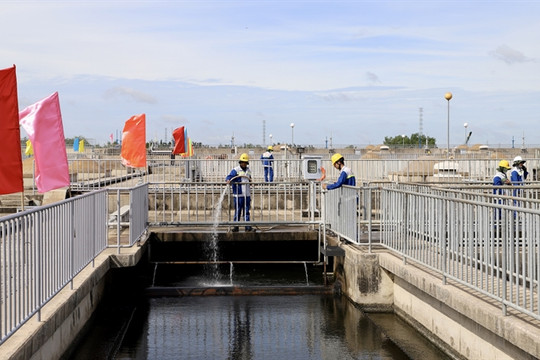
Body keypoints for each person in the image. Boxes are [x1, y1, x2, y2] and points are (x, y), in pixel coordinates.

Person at [226, 153, 254, 232]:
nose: (244, 163)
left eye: (245, 162)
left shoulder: (248, 170)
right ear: (240, 162)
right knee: (237, 211)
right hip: (238, 194)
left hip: (247, 194)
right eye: (243, 162)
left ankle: (247, 227)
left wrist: (251, 183)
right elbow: (229, 177)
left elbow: (249, 179)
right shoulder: (236, 170)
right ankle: (236, 227)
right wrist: (228, 180)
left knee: (246, 211)